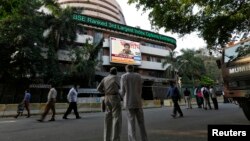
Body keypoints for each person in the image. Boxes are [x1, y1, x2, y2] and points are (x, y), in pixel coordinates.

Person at [120, 65, 148, 141]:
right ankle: (144, 139)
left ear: (126, 69)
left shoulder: (124, 76)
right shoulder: (139, 76)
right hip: (138, 102)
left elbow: (122, 91)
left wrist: (120, 97)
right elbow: (140, 88)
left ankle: (133, 139)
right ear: (133, 69)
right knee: (141, 123)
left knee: (131, 123)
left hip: (129, 103)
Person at [97, 67, 122, 141]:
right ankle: (115, 139)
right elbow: (122, 88)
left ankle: (106, 139)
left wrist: (105, 92)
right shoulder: (116, 78)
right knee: (116, 118)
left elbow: (98, 89)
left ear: (109, 72)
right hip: (114, 97)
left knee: (107, 118)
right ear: (116, 72)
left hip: (106, 98)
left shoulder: (105, 78)